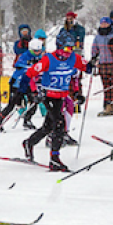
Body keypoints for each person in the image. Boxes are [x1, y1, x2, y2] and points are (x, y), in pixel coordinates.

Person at [23, 37, 92, 171]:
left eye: (71, 48)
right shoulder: (48, 59)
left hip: (61, 96)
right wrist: (33, 93)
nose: (69, 52)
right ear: (59, 47)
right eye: (66, 48)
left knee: (48, 127)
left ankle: (28, 143)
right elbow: (29, 73)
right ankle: (54, 159)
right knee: (59, 125)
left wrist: (92, 64)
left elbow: (86, 68)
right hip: (49, 95)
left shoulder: (73, 58)